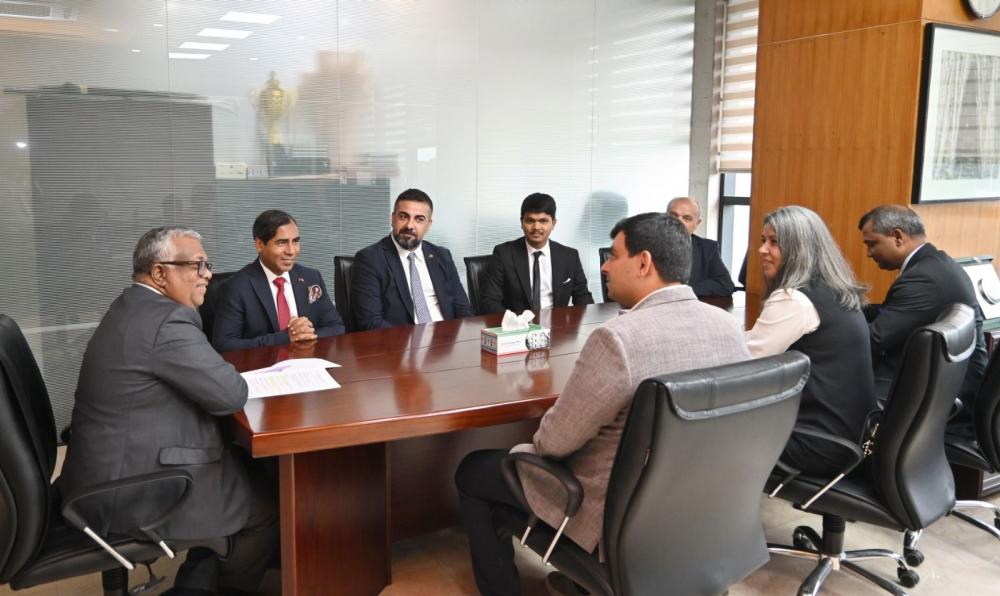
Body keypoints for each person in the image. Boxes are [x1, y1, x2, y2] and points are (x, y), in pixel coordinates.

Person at [455, 213, 749, 596]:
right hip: (697, 508)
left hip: (607, 509)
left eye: (614, 255)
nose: (605, 266)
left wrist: (530, 445)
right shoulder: (728, 327)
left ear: (643, 263)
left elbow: (553, 443)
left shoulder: (618, 339)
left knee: (473, 470)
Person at [59, 227, 277, 595]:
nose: (208, 274)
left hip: (104, 471)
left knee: (243, 463)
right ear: (160, 273)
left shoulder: (131, 304)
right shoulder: (167, 321)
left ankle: (202, 571)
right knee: (266, 506)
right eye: (197, 265)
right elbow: (230, 393)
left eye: (207, 265)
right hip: (131, 489)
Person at [746, 206, 876, 477]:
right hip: (852, 438)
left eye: (774, 242)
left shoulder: (794, 299)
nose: (762, 250)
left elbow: (744, 364)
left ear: (799, 249)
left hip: (817, 445)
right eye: (763, 240)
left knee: (703, 430)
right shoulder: (834, 291)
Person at [859, 205, 987, 406]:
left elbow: (874, 339)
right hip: (949, 386)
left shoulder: (923, 278)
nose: (868, 253)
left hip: (949, 399)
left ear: (898, 237)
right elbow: (892, 310)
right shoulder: (935, 263)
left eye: (872, 244)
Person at [212, 209, 345, 352]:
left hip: (306, 361)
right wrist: (285, 338)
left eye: (295, 241)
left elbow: (336, 327)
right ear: (259, 245)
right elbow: (224, 345)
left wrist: (306, 334)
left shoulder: (311, 277)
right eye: (282, 243)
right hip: (264, 364)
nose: (291, 251)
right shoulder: (236, 287)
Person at [351, 188, 474, 330]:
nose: (409, 225)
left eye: (419, 219)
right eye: (403, 217)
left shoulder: (442, 255)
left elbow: (463, 309)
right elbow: (371, 322)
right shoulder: (370, 259)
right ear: (393, 218)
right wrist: (414, 341)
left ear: (428, 225)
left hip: (446, 338)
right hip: (400, 341)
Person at [481, 192, 593, 316]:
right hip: (517, 325)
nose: (536, 227)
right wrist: (516, 323)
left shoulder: (569, 256)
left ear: (553, 223)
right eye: (530, 221)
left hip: (557, 325)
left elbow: (583, 298)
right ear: (521, 222)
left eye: (543, 221)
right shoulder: (503, 254)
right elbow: (490, 301)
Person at [667, 196, 736, 297]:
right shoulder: (648, 244)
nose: (678, 222)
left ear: (697, 223)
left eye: (687, 218)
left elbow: (725, 285)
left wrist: (683, 290)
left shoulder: (708, 248)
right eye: (673, 216)